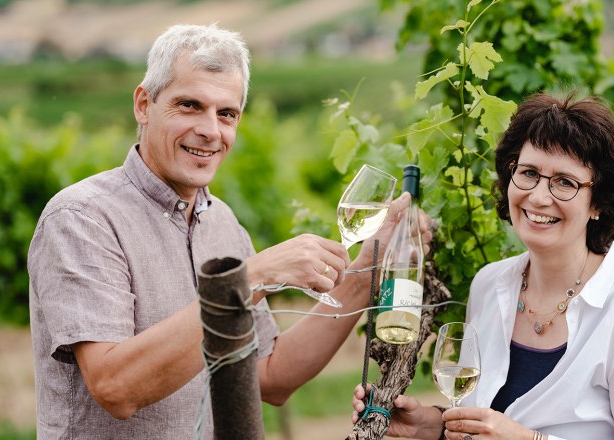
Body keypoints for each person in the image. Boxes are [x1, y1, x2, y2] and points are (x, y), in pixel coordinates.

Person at [29, 23, 431, 439]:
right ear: (144, 105)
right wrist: (252, 277)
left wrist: (369, 267)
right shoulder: (82, 218)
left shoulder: (223, 224)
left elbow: (269, 375)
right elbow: (115, 388)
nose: (210, 130)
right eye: (189, 105)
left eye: (226, 114)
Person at [353, 92, 614, 439]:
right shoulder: (489, 286)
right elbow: (493, 421)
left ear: (599, 204)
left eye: (565, 182)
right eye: (528, 172)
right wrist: (432, 425)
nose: (539, 196)